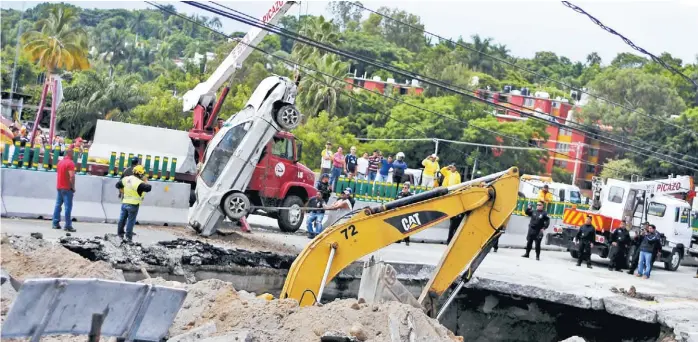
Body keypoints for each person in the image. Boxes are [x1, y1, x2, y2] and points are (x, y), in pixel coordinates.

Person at [115, 165, 152, 242]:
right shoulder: (139, 183)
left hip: (124, 202)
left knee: (122, 219)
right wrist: (145, 180)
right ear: (140, 174)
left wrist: (122, 191)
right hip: (133, 205)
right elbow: (148, 188)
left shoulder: (126, 179)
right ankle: (128, 237)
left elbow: (117, 185)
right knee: (130, 221)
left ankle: (120, 234)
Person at [51, 149, 77, 232]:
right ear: (70, 154)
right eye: (73, 153)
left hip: (59, 187)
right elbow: (72, 176)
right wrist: (72, 187)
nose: (74, 155)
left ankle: (55, 223)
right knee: (68, 207)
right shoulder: (70, 163)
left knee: (58, 205)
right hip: (67, 188)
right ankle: (68, 225)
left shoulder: (60, 162)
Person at [395, 182, 413, 246]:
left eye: (405, 188)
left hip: (407, 213)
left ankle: (407, 240)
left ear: (408, 189)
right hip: (400, 212)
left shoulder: (411, 195)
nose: (404, 189)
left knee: (406, 227)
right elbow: (395, 202)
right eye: (403, 187)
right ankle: (399, 239)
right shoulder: (399, 194)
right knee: (399, 226)